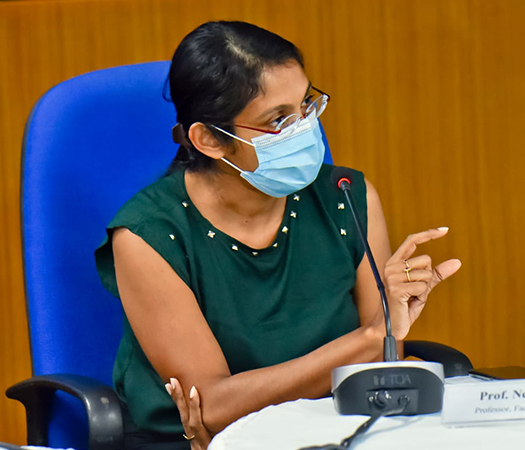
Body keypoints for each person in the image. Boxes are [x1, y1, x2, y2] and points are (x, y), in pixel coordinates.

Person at [95, 20, 461, 449]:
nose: (305, 128)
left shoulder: (345, 196)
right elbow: (214, 409)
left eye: (305, 105)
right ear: (210, 139)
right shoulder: (149, 234)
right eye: (278, 119)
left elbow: (380, 361)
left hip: (336, 430)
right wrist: (369, 339)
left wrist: (387, 328)